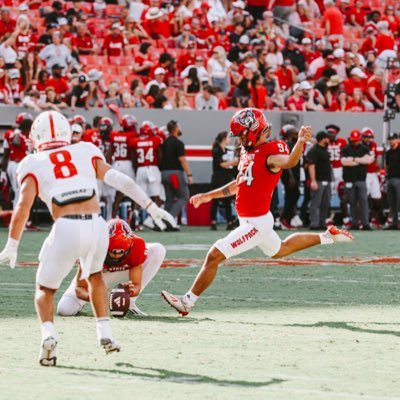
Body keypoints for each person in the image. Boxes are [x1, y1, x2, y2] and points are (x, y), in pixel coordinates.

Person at [0, 111, 176, 366]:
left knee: (45, 289)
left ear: (36, 136)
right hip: (96, 225)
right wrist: (150, 206)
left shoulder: (32, 162)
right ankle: (105, 333)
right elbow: (120, 180)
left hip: (66, 226)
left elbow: (22, 207)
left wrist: (12, 245)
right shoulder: (85, 149)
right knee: (95, 278)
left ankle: (48, 335)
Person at [161, 108, 354, 316]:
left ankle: (187, 301)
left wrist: (300, 142)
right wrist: (209, 195)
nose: (240, 139)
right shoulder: (248, 151)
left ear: (253, 129)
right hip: (251, 221)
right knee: (280, 249)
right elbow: (239, 184)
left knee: (215, 254)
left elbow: (289, 161)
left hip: (257, 223)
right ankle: (327, 236)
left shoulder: (271, 151)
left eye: (242, 134)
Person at [57, 219, 166, 316]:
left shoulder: (136, 246)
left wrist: (130, 291)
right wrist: (96, 297)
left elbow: (136, 284)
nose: (116, 257)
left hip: (121, 274)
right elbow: (79, 288)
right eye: (112, 253)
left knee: (158, 250)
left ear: (129, 247)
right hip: (94, 279)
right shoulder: (91, 248)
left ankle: (129, 303)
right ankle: (82, 305)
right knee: (64, 309)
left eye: (120, 253)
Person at [160, 120, 193, 223]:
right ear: (175, 129)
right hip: (175, 173)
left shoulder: (164, 142)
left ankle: (162, 221)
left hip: (164, 173)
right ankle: (169, 220)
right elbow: (182, 160)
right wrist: (189, 174)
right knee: (184, 196)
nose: (180, 129)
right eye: (179, 127)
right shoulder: (178, 143)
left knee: (169, 199)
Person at [341, 130, 373, 230]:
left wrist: (353, 159)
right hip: (349, 179)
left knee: (364, 201)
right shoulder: (345, 149)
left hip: (361, 179)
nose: (356, 142)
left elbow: (368, 161)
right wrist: (360, 160)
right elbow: (344, 162)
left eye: (357, 140)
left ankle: (365, 223)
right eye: (354, 140)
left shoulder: (365, 148)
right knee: (352, 202)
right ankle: (354, 223)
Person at [0, 113, 33, 208]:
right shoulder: (14, 134)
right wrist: (3, 173)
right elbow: (7, 153)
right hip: (16, 164)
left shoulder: (31, 136)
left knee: (27, 192)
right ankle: (17, 217)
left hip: (27, 165)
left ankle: (26, 219)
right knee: (19, 191)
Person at [210, 131, 238, 231]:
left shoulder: (228, 151)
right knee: (216, 199)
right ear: (223, 138)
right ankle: (213, 222)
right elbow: (221, 164)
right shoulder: (216, 150)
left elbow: (230, 164)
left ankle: (230, 222)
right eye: (227, 138)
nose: (229, 140)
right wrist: (232, 162)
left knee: (227, 199)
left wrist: (234, 162)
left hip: (227, 177)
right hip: (218, 177)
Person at [307, 131, 332, 229]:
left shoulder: (325, 150)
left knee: (325, 204)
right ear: (322, 139)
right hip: (318, 181)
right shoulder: (314, 150)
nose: (328, 140)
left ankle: (322, 223)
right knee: (316, 203)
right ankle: (314, 223)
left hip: (327, 180)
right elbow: (311, 166)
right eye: (326, 138)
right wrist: (313, 181)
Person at [361, 127, 382, 228]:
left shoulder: (374, 145)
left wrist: (377, 168)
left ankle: (374, 219)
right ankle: (362, 219)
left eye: (370, 137)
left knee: (377, 197)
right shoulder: (360, 146)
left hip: (373, 174)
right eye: (366, 137)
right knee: (363, 198)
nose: (368, 139)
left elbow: (376, 159)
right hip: (364, 174)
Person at [385, 133, 400, 230]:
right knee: (392, 203)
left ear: (397, 139)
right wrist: (386, 175)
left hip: (399, 179)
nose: (391, 141)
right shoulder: (388, 152)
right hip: (390, 179)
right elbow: (387, 165)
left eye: (393, 139)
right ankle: (394, 223)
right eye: (389, 139)